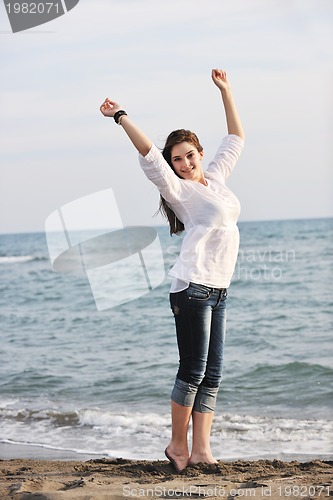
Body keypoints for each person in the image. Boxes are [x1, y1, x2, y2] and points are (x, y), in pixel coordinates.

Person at [99, 69, 245, 472]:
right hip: (192, 287)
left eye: (188, 156)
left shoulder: (215, 180)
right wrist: (121, 115)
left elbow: (235, 139)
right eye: (177, 159)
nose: (182, 164)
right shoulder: (180, 190)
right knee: (193, 371)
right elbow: (149, 155)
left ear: (199, 153)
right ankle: (177, 446)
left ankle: (201, 449)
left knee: (212, 374)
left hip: (218, 288)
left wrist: (226, 91)